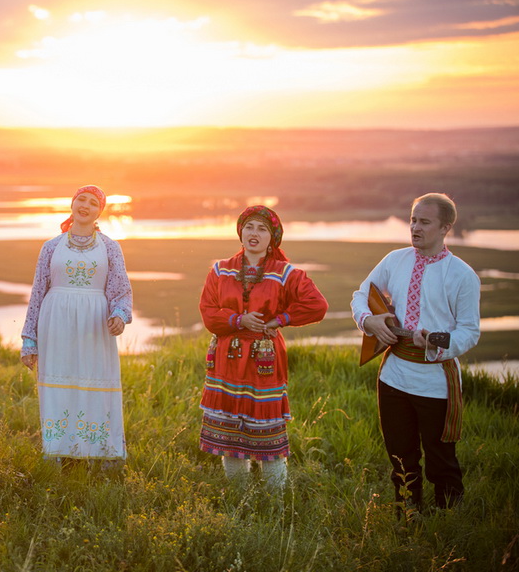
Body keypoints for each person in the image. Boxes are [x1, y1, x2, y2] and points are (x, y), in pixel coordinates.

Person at [351, 193, 480, 514]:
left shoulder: (463, 275)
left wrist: (436, 339)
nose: (415, 227)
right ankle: (408, 516)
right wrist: (369, 320)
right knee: (400, 455)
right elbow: (360, 295)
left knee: (441, 460)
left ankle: (449, 521)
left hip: (435, 381)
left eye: (424, 222)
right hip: (393, 376)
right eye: (412, 219)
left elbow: (469, 331)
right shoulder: (394, 260)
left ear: (446, 227)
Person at [198, 205, 328, 489]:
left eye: (262, 229)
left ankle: (274, 502)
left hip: (263, 362)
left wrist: (280, 319)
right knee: (229, 433)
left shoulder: (285, 273)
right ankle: (238, 495)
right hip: (227, 359)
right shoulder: (220, 270)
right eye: (249, 227)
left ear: (273, 238)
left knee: (266, 431)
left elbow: (317, 305)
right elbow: (208, 312)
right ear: (240, 232)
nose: (254, 234)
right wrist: (238, 320)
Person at [20, 185, 132, 465]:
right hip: (55, 323)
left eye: (93, 203)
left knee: (95, 383)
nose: (85, 205)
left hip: (95, 325)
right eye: (81, 199)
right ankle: (58, 451)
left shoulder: (110, 246)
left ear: (99, 212)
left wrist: (119, 314)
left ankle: (99, 454)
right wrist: (29, 339)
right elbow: (37, 293)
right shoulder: (51, 246)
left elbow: (120, 290)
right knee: (58, 384)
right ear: (71, 204)